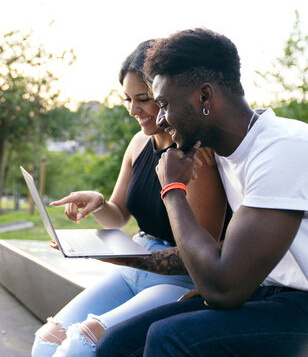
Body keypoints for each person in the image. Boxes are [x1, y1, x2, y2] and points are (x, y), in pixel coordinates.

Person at [96, 28, 308, 357]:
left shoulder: (282, 148)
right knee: (117, 344)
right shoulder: (220, 150)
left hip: (299, 304)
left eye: (164, 104)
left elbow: (224, 290)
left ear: (204, 97)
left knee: (170, 338)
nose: (161, 119)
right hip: (266, 290)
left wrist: (173, 190)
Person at [31, 40, 229, 357]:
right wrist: (98, 203)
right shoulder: (139, 143)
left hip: (176, 278)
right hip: (134, 263)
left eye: (144, 99)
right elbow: (119, 214)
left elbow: (200, 256)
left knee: (80, 347)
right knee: (46, 340)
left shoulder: (198, 157)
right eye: (127, 99)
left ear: (167, 97)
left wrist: (110, 255)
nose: (133, 110)